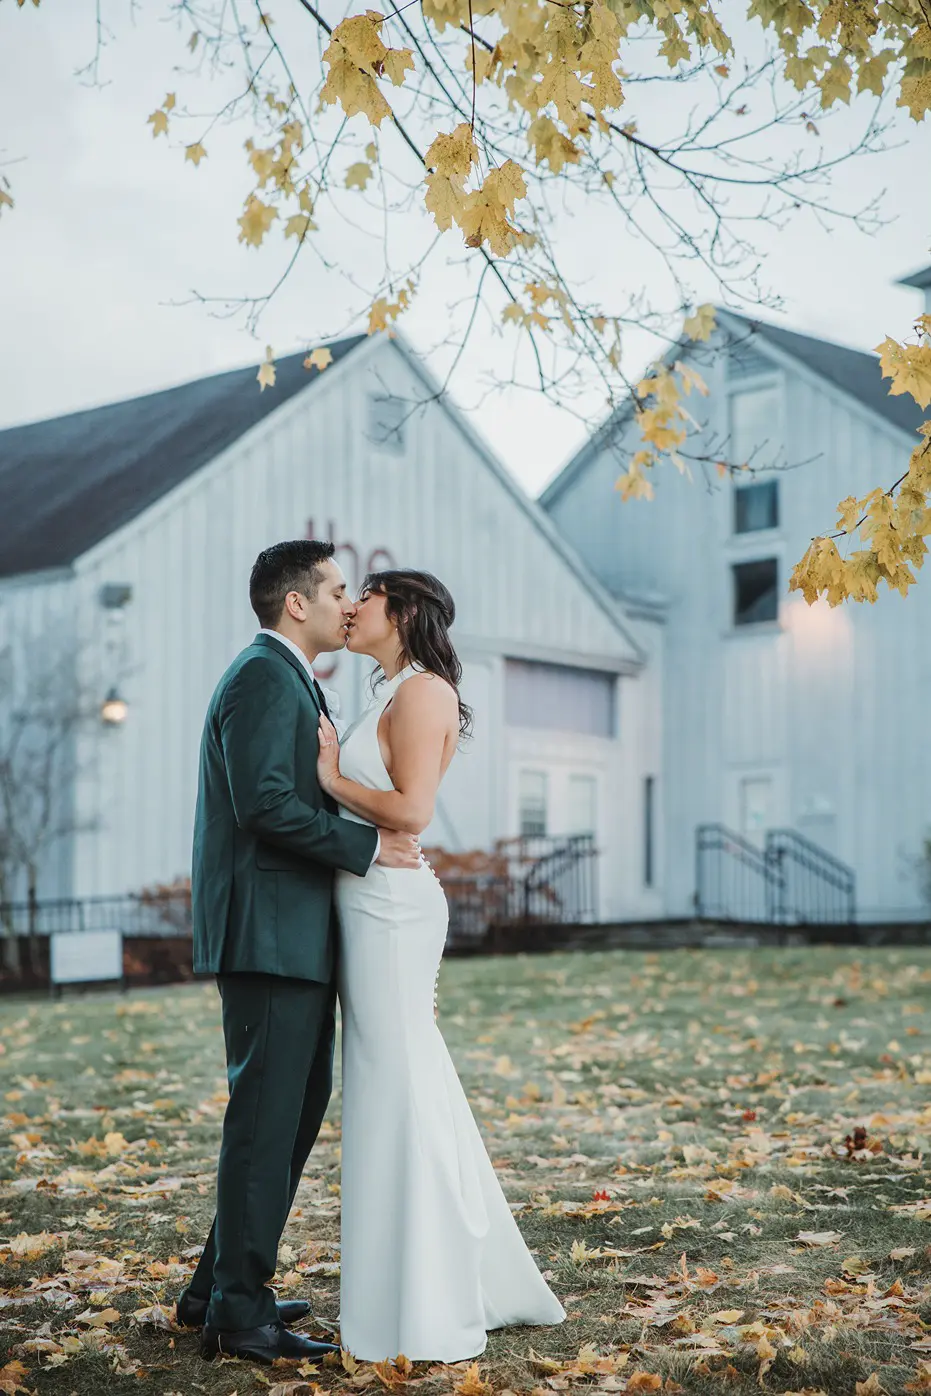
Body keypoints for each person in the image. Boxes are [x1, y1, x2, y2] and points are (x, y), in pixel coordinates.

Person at [177, 540, 422, 1366]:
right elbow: (264, 805)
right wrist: (365, 845)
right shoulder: (260, 676)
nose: (347, 603)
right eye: (337, 589)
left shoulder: (283, 678)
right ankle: (240, 1315)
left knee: (284, 1117)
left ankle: (217, 1289)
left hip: (288, 937)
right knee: (266, 1122)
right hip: (268, 935)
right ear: (296, 604)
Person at [316, 568, 566, 1362]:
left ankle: (431, 1296)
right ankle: (419, 1280)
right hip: (367, 904)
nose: (350, 607)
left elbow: (412, 811)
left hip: (391, 909)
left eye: (368, 597)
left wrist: (329, 778)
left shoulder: (424, 692)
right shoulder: (387, 688)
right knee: (397, 1082)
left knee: (399, 1084)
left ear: (407, 611)